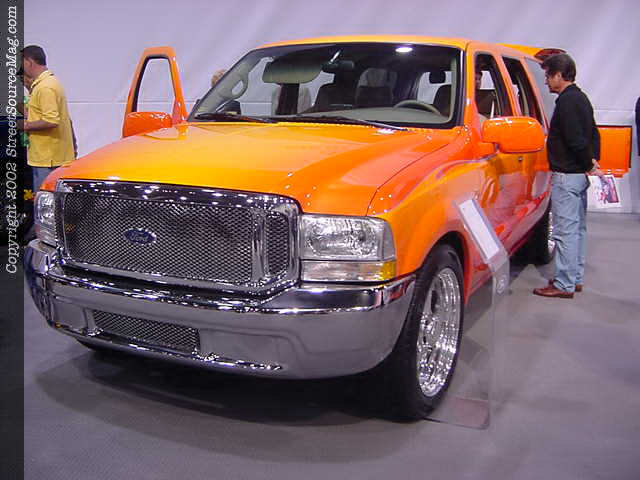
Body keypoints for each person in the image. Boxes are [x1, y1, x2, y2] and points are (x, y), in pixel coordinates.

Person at [533, 53, 602, 299]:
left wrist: (588, 163)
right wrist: (592, 161)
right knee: (577, 229)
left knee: (565, 232)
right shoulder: (581, 98)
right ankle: (574, 278)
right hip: (578, 175)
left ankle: (564, 284)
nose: (546, 81)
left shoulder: (567, 102)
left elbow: (575, 139)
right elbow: (593, 135)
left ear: (560, 75)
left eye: (548, 75)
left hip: (567, 175)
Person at [18, 45, 75, 192]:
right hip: (49, 155)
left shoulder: (45, 87)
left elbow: (51, 120)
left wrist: (25, 126)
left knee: (46, 199)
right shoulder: (46, 84)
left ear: (28, 62)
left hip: (48, 158)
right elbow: (41, 114)